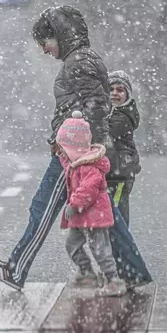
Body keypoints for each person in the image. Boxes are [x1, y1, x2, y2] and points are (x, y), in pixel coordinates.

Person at [0, 5, 152, 291]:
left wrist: (94, 145)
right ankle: (131, 272)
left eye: (45, 42)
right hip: (77, 150)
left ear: (60, 34)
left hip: (74, 154)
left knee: (42, 210)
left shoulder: (79, 62)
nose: (45, 50)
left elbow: (96, 104)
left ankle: (16, 269)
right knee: (108, 215)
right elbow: (84, 105)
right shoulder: (81, 59)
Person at [57, 111, 126, 297]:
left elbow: (88, 190)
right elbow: (67, 165)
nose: (62, 151)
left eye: (63, 147)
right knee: (72, 244)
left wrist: (73, 204)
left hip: (94, 216)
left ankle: (113, 280)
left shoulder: (89, 166)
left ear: (73, 147)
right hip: (82, 216)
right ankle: (86, 272)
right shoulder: (75, 162)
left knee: (100, 250)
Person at [106, 71, 142, 227]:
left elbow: (107, 134)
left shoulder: (123, 116)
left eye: (120, 90)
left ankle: (123, 248)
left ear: (127, 94)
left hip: (120, 174)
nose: (114, 93)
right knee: (108, 214)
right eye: (111, 89)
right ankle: (112, 247)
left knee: (117, 216)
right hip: (110, 173)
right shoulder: (109, 112)